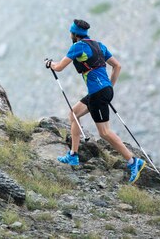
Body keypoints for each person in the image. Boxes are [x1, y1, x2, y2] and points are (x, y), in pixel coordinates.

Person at [45, 19, 146, 184]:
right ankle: (73, 155)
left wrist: (50, 64)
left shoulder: (78, 46)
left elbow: (59, 67)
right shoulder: (99, 45)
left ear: (74, 34)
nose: (70, 35)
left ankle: (133, 161)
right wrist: (109, 87)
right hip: (101, 91)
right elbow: (117, 66)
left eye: (71, 32)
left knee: (104, 132)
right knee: (74, 114)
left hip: (98, 92)